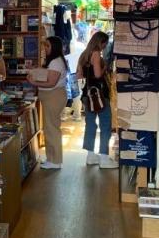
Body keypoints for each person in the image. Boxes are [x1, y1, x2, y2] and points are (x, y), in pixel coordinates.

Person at [28, 36, 70, 170]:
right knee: (50, 127)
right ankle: (52, 158)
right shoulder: (55, 61)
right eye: (45, 45)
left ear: (54, 47)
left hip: (53, 96)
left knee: (52, 129)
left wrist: (33, 82)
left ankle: (55, 160)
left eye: (47, 46)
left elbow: (51, 82)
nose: (45, 48)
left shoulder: (56, 62)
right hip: (53, 96)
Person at [77, 31, 118, 168]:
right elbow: (98, 74)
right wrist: (105, 65)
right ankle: (104, 158)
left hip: (87, 95)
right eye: (104, 44)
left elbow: (79, 75)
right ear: (100, 42)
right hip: (99, 95)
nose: (104, 47)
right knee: (105, 125)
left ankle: (90, 156)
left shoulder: (84, 55)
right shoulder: (96, 54)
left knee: (90, 124)